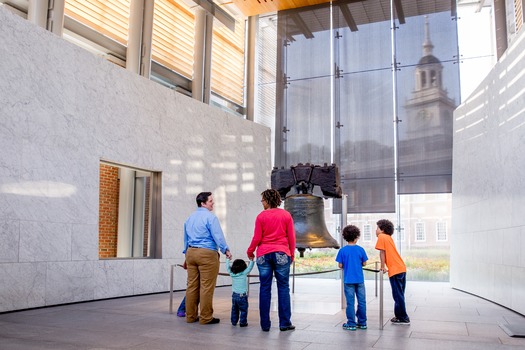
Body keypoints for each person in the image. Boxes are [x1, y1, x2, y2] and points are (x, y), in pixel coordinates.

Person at [247, 189, 296, 332]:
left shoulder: (261, 216)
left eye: (262, 200)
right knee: (283, 288)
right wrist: (291, 254)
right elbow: (291, 237)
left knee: (265, 288)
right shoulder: (286, 215)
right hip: (282, 253)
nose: (262, 203)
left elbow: (257, 238)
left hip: (263, 255)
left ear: (268, 201)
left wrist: (250, 251)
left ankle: (265, 324)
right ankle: (285, 323)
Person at [183, 192, 232, 325]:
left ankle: (190, 316)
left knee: (192, 286)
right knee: (206, 287)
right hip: (207, 254)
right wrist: (225, 249)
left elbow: (185, 238)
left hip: (191, 253)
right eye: (210, 201)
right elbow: (218, 236)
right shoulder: (211, 218)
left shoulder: (190, 218)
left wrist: (185, 253)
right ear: (203, 203)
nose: (213, 203)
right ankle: (206, 318)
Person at [375, 219, 410, 325]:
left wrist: (382, 267)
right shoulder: (388, 237)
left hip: (395, 270)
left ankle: (403, 317)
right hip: (401, 268)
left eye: (377, 228)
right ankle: (399, 316)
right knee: (400, 294)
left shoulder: (382, 237)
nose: (375, 230)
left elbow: (382, 253)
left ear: (382, 230)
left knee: (397, 295)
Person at [335, 225, 368, 331]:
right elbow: (364, 263)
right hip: (360, 280)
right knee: (362, 301)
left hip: (348, 280)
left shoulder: (342, 251)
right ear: (357, 236)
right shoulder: (361, 250)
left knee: (350, 302)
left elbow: (340, 265)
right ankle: (362, 323)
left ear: (345, 237)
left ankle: (351, 323)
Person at [226, 258, 255, 327]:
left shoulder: (232, 274)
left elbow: (227, 268)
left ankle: (234, 321)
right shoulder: (244, 273)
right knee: (243, 310)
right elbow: (250, 267)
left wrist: (227, 260)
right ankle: (243, 322)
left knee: (234, 309)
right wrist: (252, 260)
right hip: (242, 296)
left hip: (234, 296)